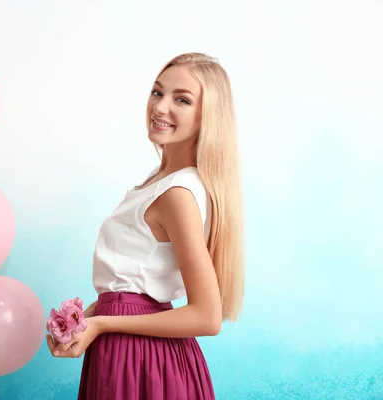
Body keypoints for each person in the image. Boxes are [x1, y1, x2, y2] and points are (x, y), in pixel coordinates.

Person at [46, 52, 245, 400]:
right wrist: (87, 319)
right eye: (157, 92)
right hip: (131, 351)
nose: (160, 106)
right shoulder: (160, 181)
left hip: (141, 359)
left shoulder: (177, 194)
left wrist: (103, 323)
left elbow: (207, 316)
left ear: (207, 117)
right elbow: (139, 284)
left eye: (181, 99)